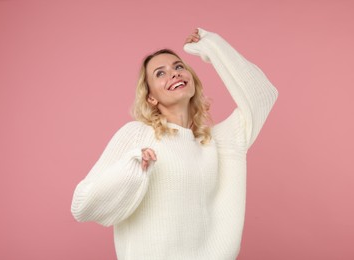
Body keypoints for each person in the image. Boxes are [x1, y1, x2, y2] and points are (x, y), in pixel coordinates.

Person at [71, 28, 278, 260]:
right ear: (151, 97)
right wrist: (132, 170)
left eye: (179, 67)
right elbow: (82, 204)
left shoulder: (214, 143)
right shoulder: (138, 134)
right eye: (160, 73)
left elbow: (263, 96)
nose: (174, 73)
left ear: (192, 80)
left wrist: (213, 47)